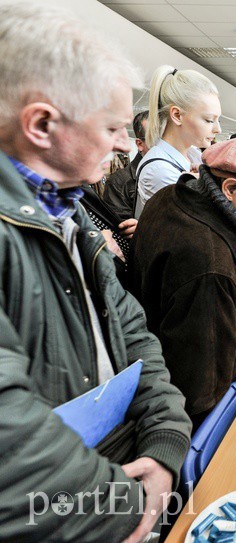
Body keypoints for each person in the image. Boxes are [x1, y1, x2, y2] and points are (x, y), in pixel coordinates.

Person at [0, 5, 192, 542]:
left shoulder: (72, 215)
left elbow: (135, 337)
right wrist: (123, 505)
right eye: (111, 126)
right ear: (41, 124)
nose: (126, 144)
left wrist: (164, 444)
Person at [130, 137, 236, 431]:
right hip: (199, 423)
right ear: (230, 188)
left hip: (154, 393)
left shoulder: (170, 198)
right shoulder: (210, 266)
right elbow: (201, 389)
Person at [134, 65, 221, 217]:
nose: (218, 129)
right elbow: (204, 225)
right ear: (177, 115)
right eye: (209, 120)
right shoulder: (159, 170)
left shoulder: (194, 155)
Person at [104, 110, 149, 220]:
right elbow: (121, 228)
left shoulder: (185, 168)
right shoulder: (120, 182)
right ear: (140, 144)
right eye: (156, 139)